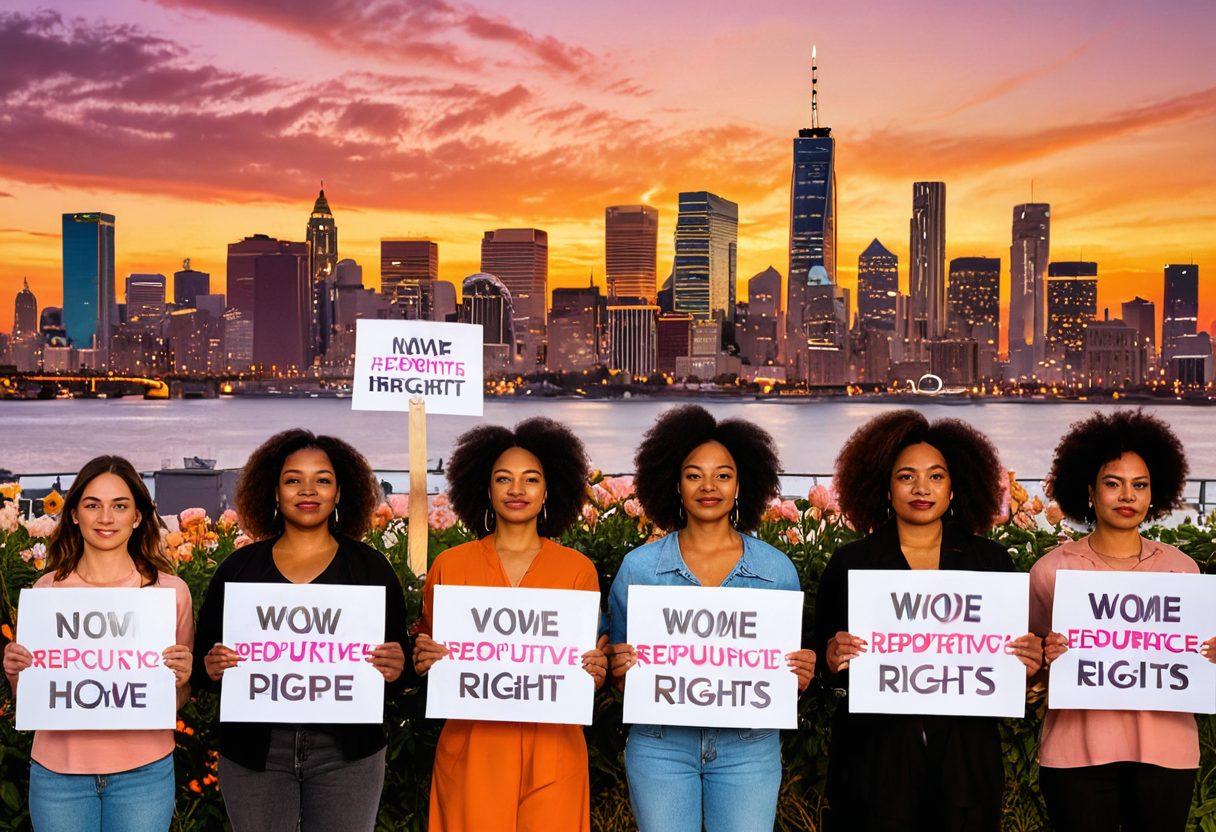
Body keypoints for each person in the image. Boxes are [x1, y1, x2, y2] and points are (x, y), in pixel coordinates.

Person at [812, 410, 1042, 832]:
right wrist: (830, 657)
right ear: (885, 486)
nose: (922, 488)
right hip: (874, 764)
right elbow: (820, 666)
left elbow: (1006, 667)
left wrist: (1029, 663)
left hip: (965, 768)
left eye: (936, 476)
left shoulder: (990, 563)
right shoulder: (851, 563)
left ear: (956, 487)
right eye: (906, 477)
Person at [606, 405, 816, 832]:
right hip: (661, 744)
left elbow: (781, 671)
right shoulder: (639, 568)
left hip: (749, 747)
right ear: (675, 484)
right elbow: (619, 668)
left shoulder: (777, 571)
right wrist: (619, 667)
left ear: (741, 485)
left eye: (723, 475)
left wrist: (800, 672)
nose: (709, 486)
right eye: (694, 474)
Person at [191, 429, 409, 832]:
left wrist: (396, 667)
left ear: (340, 492)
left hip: (348, 754)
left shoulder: (371, 569)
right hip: (255, 752)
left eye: (322, 480)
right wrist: (213, 665)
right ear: (274, 492)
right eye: (293, 480)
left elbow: (399, 670)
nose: (308, 490)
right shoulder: (238, 570)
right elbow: (204, 665)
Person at [412, 417, 609, 831]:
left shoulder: (578, 570)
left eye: (530, 479)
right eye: (504, 479)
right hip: (473, 748)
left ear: (548, 489)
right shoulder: (450, 565)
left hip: (553, 749)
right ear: (486, 489)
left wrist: (595, 671)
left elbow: (585, 661)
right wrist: (425, 658)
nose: (517, 490)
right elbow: (430, 651)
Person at [1032, 410, 1215, 831]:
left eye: (1140, 485)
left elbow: (1194, 657)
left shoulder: (1183, 570)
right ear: (1090, 492)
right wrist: (1044, 655)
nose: (1127, 496)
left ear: (1155, 494)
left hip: (1166, 754)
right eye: (1113, 484)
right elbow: (1026, 665)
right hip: (1075, 753)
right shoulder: (1049, 570)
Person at [3, 456, 193, 832]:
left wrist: (182, 679)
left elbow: (176, 700)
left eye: (119, 506)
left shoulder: (171, 592)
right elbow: (31, 699)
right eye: (93, 505)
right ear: (74, 514)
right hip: (58, 775)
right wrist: (15, 671)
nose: (106, 518)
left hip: (145, 773)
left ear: (138, 516)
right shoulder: (47, 592)